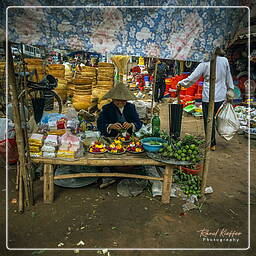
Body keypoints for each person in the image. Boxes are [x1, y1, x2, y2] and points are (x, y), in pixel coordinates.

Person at [177, 47, 234, 151]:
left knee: (209, 120)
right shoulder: (224, 60)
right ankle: (215, 139)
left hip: (208, 97)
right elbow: (228, 76)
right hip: (221, 96)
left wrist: (180, 83)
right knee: (219, 118)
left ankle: (211, 143)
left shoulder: (204, 62)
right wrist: (230, 89)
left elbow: (192, 78)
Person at [96, 81, 143, 188]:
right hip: (112, 138)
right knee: (109, 155)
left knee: (133, 156)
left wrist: (131, 125)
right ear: (113, 100)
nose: (120, 103)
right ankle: (110, 172)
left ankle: (127, 170)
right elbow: (100, 124)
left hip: (127, 139)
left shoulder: (131, 107)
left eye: (123, 101)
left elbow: (139, 123)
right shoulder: (107, 108)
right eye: (118, 101)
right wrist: (110, 126)